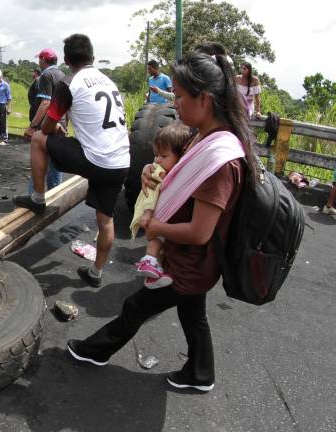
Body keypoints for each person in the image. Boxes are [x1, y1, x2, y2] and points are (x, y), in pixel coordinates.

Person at [67, 49, 255, 394]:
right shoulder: (204, 139)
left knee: (136, 306)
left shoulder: (219, 158)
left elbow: (200, 232)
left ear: (205, 98)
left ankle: (93, 351)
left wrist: (156, 229)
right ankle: (200, 373)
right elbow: (179, 178)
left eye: (180, 96)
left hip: (190, 260)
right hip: (191, 262)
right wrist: (151, 173)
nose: (176, 104)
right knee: (192, 316)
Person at [13, 34, 129, 288]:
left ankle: (38, 198)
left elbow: (48, 125)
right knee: (105, 219)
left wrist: (46, 129)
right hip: (120, 162)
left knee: (38, 139)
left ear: (66, 59)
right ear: (92, 56)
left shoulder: (69, 82)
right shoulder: (109, 81)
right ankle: (96, 273)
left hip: (94, 159)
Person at [130, 123, 191, 288]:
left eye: (163, 156)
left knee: (163, 247)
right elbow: (152, 195)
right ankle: (148, 259)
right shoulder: (161, 172)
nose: (157, 160)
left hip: (166, 215)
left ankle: (153, 276)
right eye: (156, 155)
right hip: (159, 215)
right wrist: (148, 213)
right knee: (158, 239)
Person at [25, 48, 65, 194]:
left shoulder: (46, 75)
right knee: (55, 164)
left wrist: (32, 126)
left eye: (39, 59)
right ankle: (56, 196)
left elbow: (45, 104)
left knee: (39, 164)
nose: (39, 62)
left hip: (48, 126)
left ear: (43, 60)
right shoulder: (62, 74)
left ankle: (33, 197)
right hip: (60, 125)